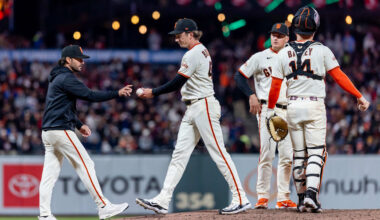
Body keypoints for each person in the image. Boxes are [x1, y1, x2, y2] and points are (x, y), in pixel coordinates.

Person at [135, 18, 251, 215]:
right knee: (179, 155)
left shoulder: (194, 53)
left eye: (180, 35)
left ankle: (241, 197)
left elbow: (176, 83)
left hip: (203, 104)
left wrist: (152, 92)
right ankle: (163, 200)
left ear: (190, 34)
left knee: (218, 153)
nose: (177, 39)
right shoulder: (200, 51)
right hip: (194, 107)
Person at [266, 6, 370, 213]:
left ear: (294, 27)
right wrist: (359, 95)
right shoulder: (322, 50)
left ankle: (302, 199)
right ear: (316, 28)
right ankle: (311, 197)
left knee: (299, 154)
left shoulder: (283, 52)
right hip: (314, 106)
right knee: (316, 153)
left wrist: (270, 111)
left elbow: (275, 87)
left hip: (292, 106)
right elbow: (339, 77)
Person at [39, 45, 132, 220]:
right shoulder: (66, 78)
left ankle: (44, 215)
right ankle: (103, 206)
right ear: (68, 60)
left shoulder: (57, 77)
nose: (82, 62)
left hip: (49, 132)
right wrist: (117, 93)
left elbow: (60, 107)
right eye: (79, 59)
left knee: (49, 176)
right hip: (60, 131)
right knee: (86, 164)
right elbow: (90, 95)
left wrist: (79, 124)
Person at [235, 23, 297, 210]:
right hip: (267, 109)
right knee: (267, 154)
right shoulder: (260, 57)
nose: (275, 38)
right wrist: (251, 95)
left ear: (287, 38)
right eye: (273, 34)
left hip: (289, 109)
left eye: (280, 35)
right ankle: (262, 196)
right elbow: (239, 76)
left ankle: (283, 197)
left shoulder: (293, 56)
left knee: (287, 156)